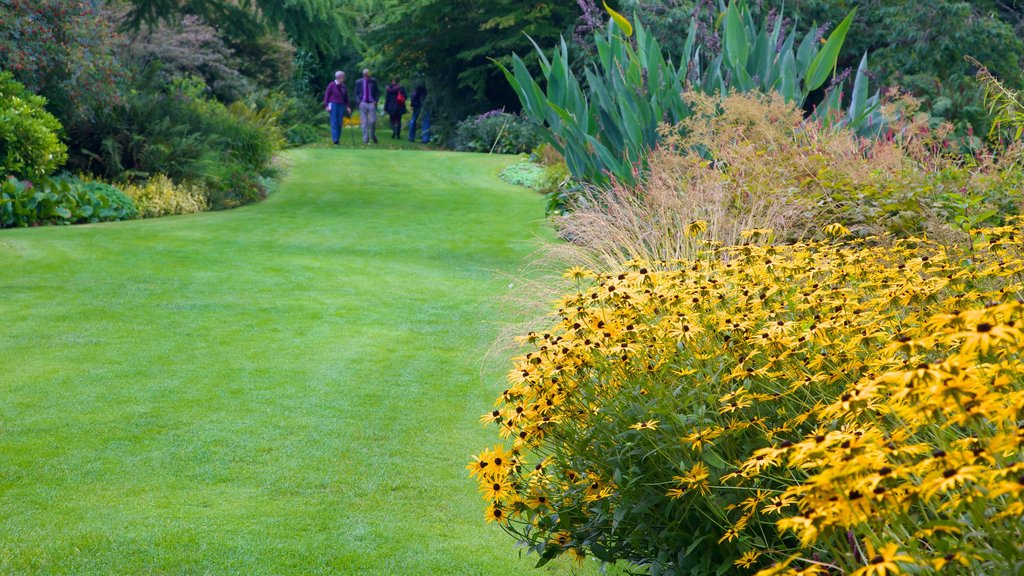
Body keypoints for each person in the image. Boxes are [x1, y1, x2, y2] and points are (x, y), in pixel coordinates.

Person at [323, 71, 351, 146]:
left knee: (339, 122)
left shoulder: (343, 86)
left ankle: (337, 138)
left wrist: (348, 106)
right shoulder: (331, 85)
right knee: (334, 122)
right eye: (343, 77)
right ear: (339, 77)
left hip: (341, 105)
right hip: (333, 104)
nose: (344, 78)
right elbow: (327, 96)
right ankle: (335, 140)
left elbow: (346, 97)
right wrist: (326, 105)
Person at [354, 69, 380, 144]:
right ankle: (365, 139)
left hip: (372, 103)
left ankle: (373, 135)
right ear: (363, 75)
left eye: (368, 75)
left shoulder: (373, 81)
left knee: (372, 121)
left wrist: (375, 101)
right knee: (364, 122)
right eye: (366, 75)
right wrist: (358, 101)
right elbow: (356, 93)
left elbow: (377, 92)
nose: (367, 77)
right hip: (363, 103)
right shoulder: (359, 82)